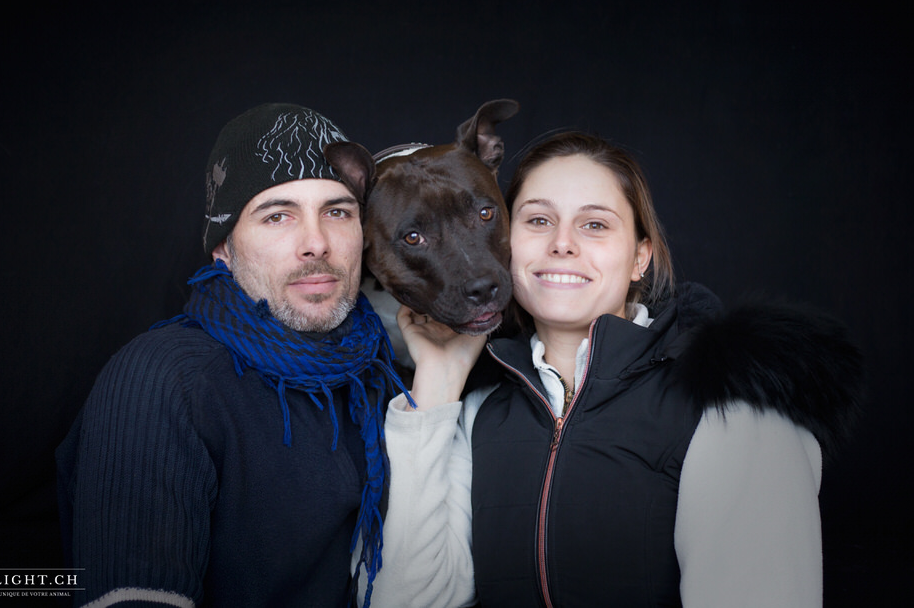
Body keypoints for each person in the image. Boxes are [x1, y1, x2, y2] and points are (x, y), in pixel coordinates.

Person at [365, 131, 863, 607]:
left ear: (639, 259)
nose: (562, 243)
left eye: (595, 224)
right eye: (538, 221)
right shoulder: (480, 408)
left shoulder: (732, 407)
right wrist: (439, 378)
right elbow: (412, 600)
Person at [56, 103, 409, 607]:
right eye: (277, 215)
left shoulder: (377, 371)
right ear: (224, 248)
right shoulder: (165, 381)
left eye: (338, 212)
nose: (316, 243)